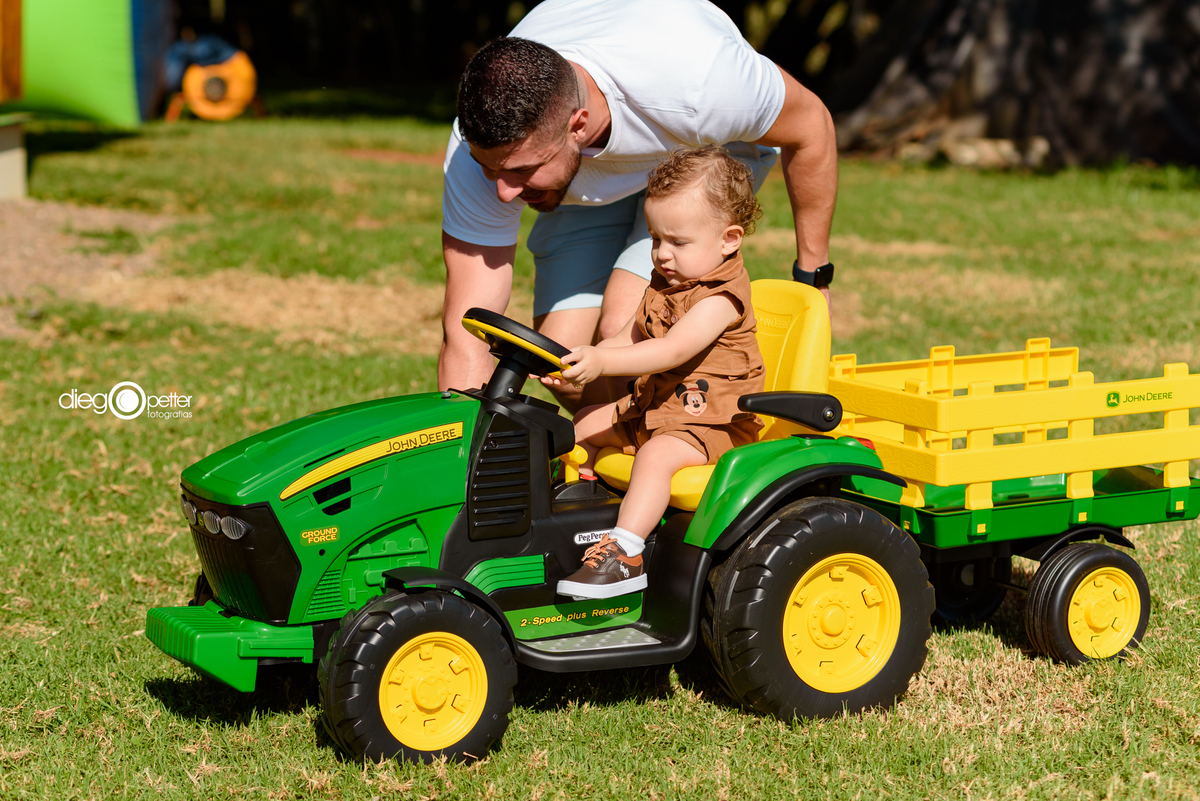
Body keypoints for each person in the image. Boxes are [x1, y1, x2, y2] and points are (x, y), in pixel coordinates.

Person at [440, 0, 836, 412]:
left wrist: (813, 280)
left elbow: (812, 126)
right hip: (586, 174)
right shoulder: (481, 151)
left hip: (698, 152)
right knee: (561, 360)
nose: (503, 193)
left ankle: (683, 439)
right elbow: (465, 333)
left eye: (522, 170)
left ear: (578, 125)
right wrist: (456, 443)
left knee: (629, 328)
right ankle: (614, 443)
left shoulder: (703, 83)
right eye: (489, 169)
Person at [552, 146, 766, 600]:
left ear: (729, 239)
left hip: (711, 424)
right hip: (657, 410)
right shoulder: (667, 283)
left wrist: (603, 364)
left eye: (678, 243)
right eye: (655, 238)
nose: (662, 255)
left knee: (655, 457)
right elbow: (629, 338)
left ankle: (625, 555)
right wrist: (581, 361)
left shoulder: (720, 299)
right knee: (581, 424)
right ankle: (582, 516)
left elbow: (670, 351)